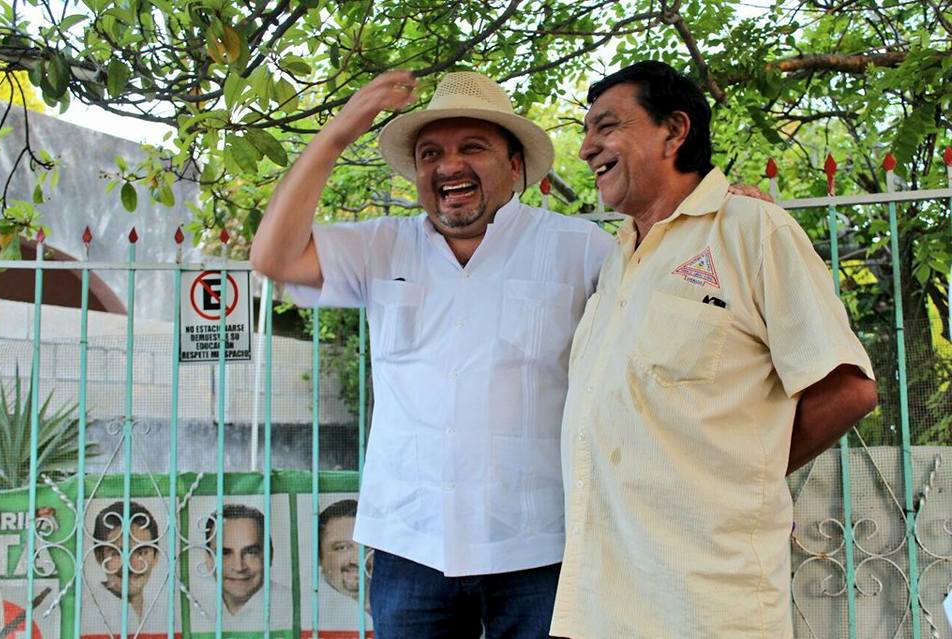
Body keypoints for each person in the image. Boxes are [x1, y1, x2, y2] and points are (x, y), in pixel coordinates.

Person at [251, 70, 614, 637]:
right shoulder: (381, 245)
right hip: (410, 543)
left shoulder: (580, 248)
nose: (448, 165)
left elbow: (654, 310)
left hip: (538, 545)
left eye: (473, 147)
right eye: (430, 153)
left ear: (516, 166)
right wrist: (336, 136)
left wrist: (730, 210)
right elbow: (273, 257)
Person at [549, 61, 878, 638]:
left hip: (707, 603)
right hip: (599, 600)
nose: (584, 149)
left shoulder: (752, 229)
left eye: (606, 126)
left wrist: (743, 473)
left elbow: (848, 389)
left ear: (674, 131)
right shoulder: (617, 259)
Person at [83, 501, 168, 636]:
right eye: (117, 553)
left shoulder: (164, 613)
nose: (130, 564)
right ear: (99, 556)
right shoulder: (87, 613)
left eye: (141, 552)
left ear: (156, 556)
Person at [203, 504, 290, 629]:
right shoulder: (196, 610)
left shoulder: (296, 608)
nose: (239, 567)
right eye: (225, 553)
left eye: (251, 552)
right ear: (208, 560)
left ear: (269, 554)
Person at [317, 499, 373, 631]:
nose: (357, 559)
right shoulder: (305, 612)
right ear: (319, 556)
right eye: (342, 548)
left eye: (367, 547)